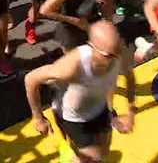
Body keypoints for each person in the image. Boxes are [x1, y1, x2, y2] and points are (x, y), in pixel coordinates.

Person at [25, 21, 136, 163]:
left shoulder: (118, 53)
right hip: (73, 118)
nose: (115, 59)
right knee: (92, 159)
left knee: (104, 152)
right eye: (109, 56)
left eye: (118, 51)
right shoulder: (71, 66)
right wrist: (38, 118)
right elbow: (31, 79)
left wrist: (131, 113)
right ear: (92, 47)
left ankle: (72, 153)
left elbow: (130, 78)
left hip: (99, 108)